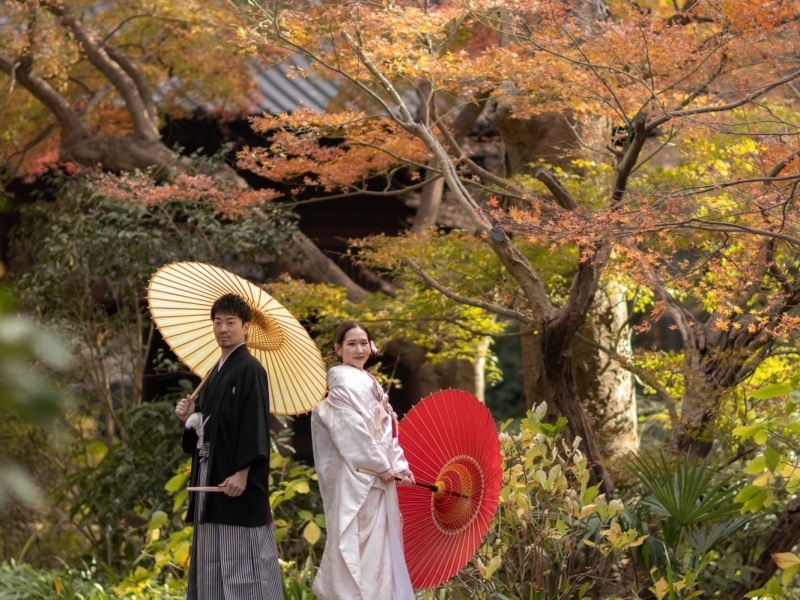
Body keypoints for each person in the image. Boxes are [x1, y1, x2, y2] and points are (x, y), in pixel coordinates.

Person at [174, 293, 283, 600]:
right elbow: (207, 429)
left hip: (234, 482)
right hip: (210, 480)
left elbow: (255, 424)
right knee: (212, 563)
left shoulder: (250, 369)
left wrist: (243, 471)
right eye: (217, 322)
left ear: (246, 327)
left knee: (241, 566)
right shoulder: (214, 373)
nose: (223, 328)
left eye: (230, 322)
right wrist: (189, 417)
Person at [310, 321, 416, 600]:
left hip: (378, 476)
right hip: (359, 479)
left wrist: (400, 465)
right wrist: (383, 467)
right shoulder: (341, 382)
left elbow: (386, 431)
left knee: (382, 551)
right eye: (351, 344)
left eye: (363, 343)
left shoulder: (369, 381)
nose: (359, 349)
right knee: (361, 551)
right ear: (338, 349)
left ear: (372, 347)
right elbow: (352, 433)